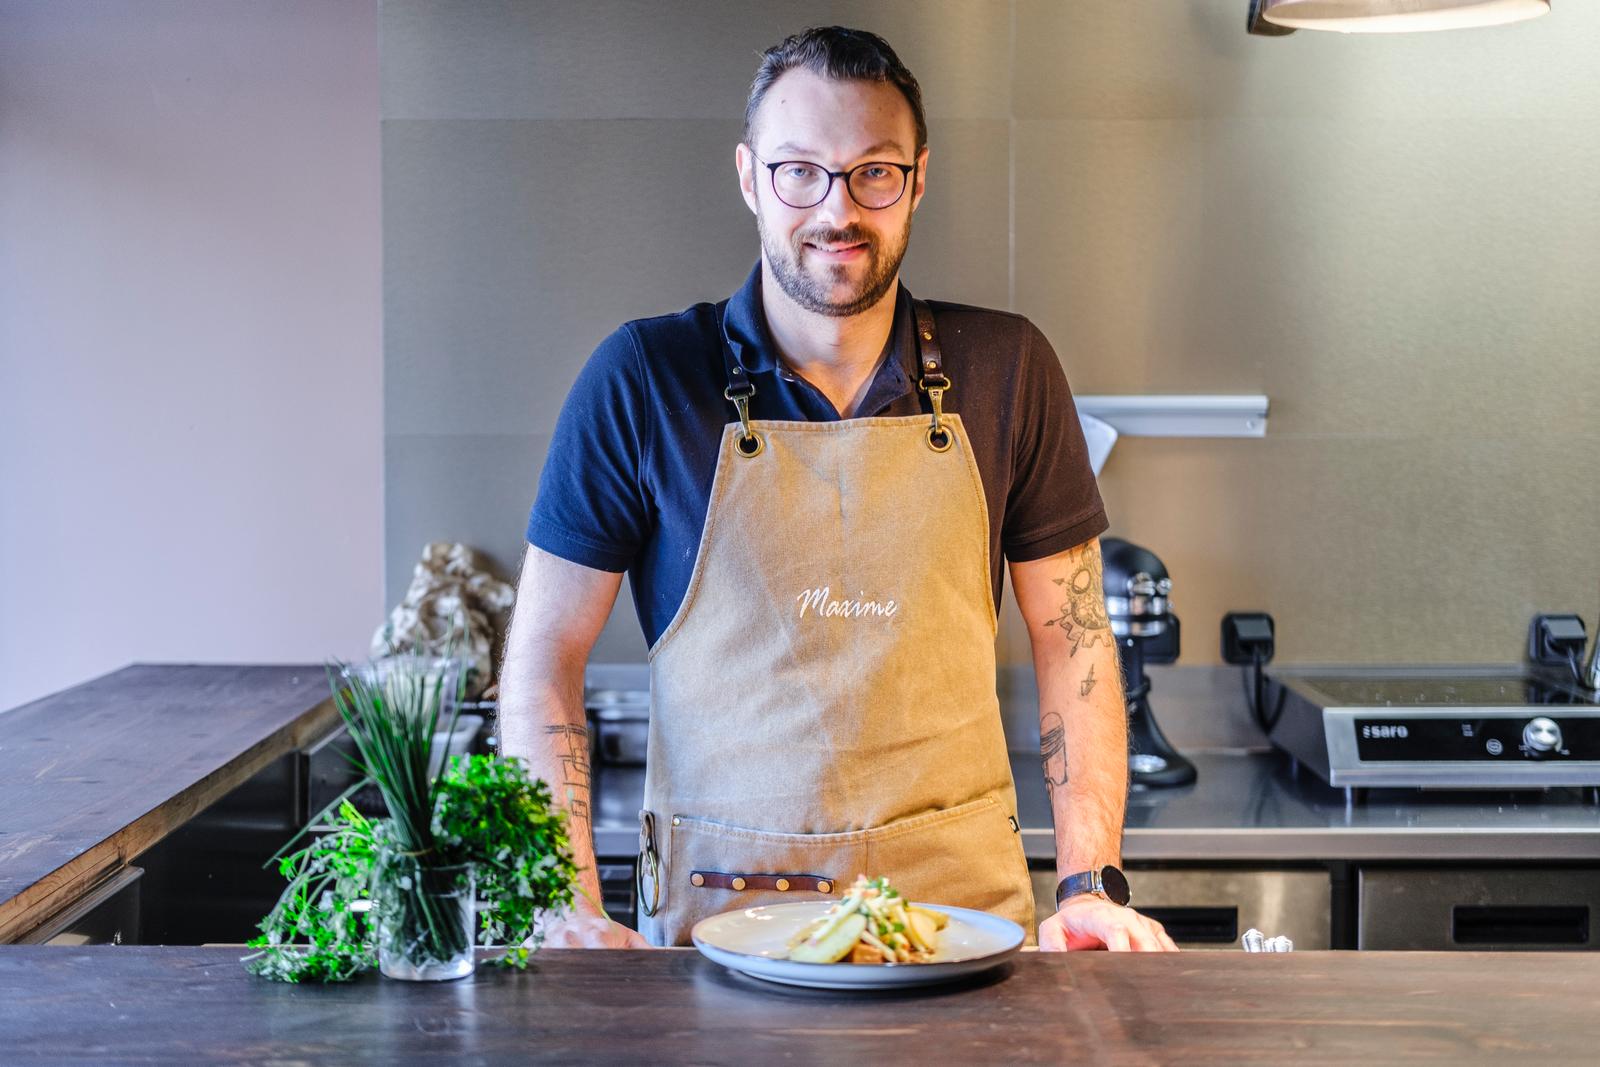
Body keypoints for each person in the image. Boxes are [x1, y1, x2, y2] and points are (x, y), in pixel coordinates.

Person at [499, 26, 1177, 953]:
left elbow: (1076, 638)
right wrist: (564, 902)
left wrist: (1091, 885)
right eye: (800, 172)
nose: (837, 208)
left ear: (918, 180)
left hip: (963, 932)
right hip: (714, 932)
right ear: (749, 177)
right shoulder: (645, 378)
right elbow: (543, 655)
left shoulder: (1008, 367)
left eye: (873, 173)